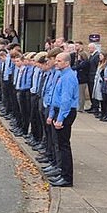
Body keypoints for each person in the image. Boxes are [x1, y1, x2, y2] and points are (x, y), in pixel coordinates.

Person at [46, 52, 79, 187]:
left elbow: (66, 100)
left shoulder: (68, 77)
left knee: (64, 146)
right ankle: (62, 173)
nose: (56, 63)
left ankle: (67, 178)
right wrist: (52, 114)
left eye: (59, 61)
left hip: (66, 112)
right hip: (59, 111)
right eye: (57, 60)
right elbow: (56, 96)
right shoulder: (61, 75)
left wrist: (60, 119)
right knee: (60, 144)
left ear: (66, 63)